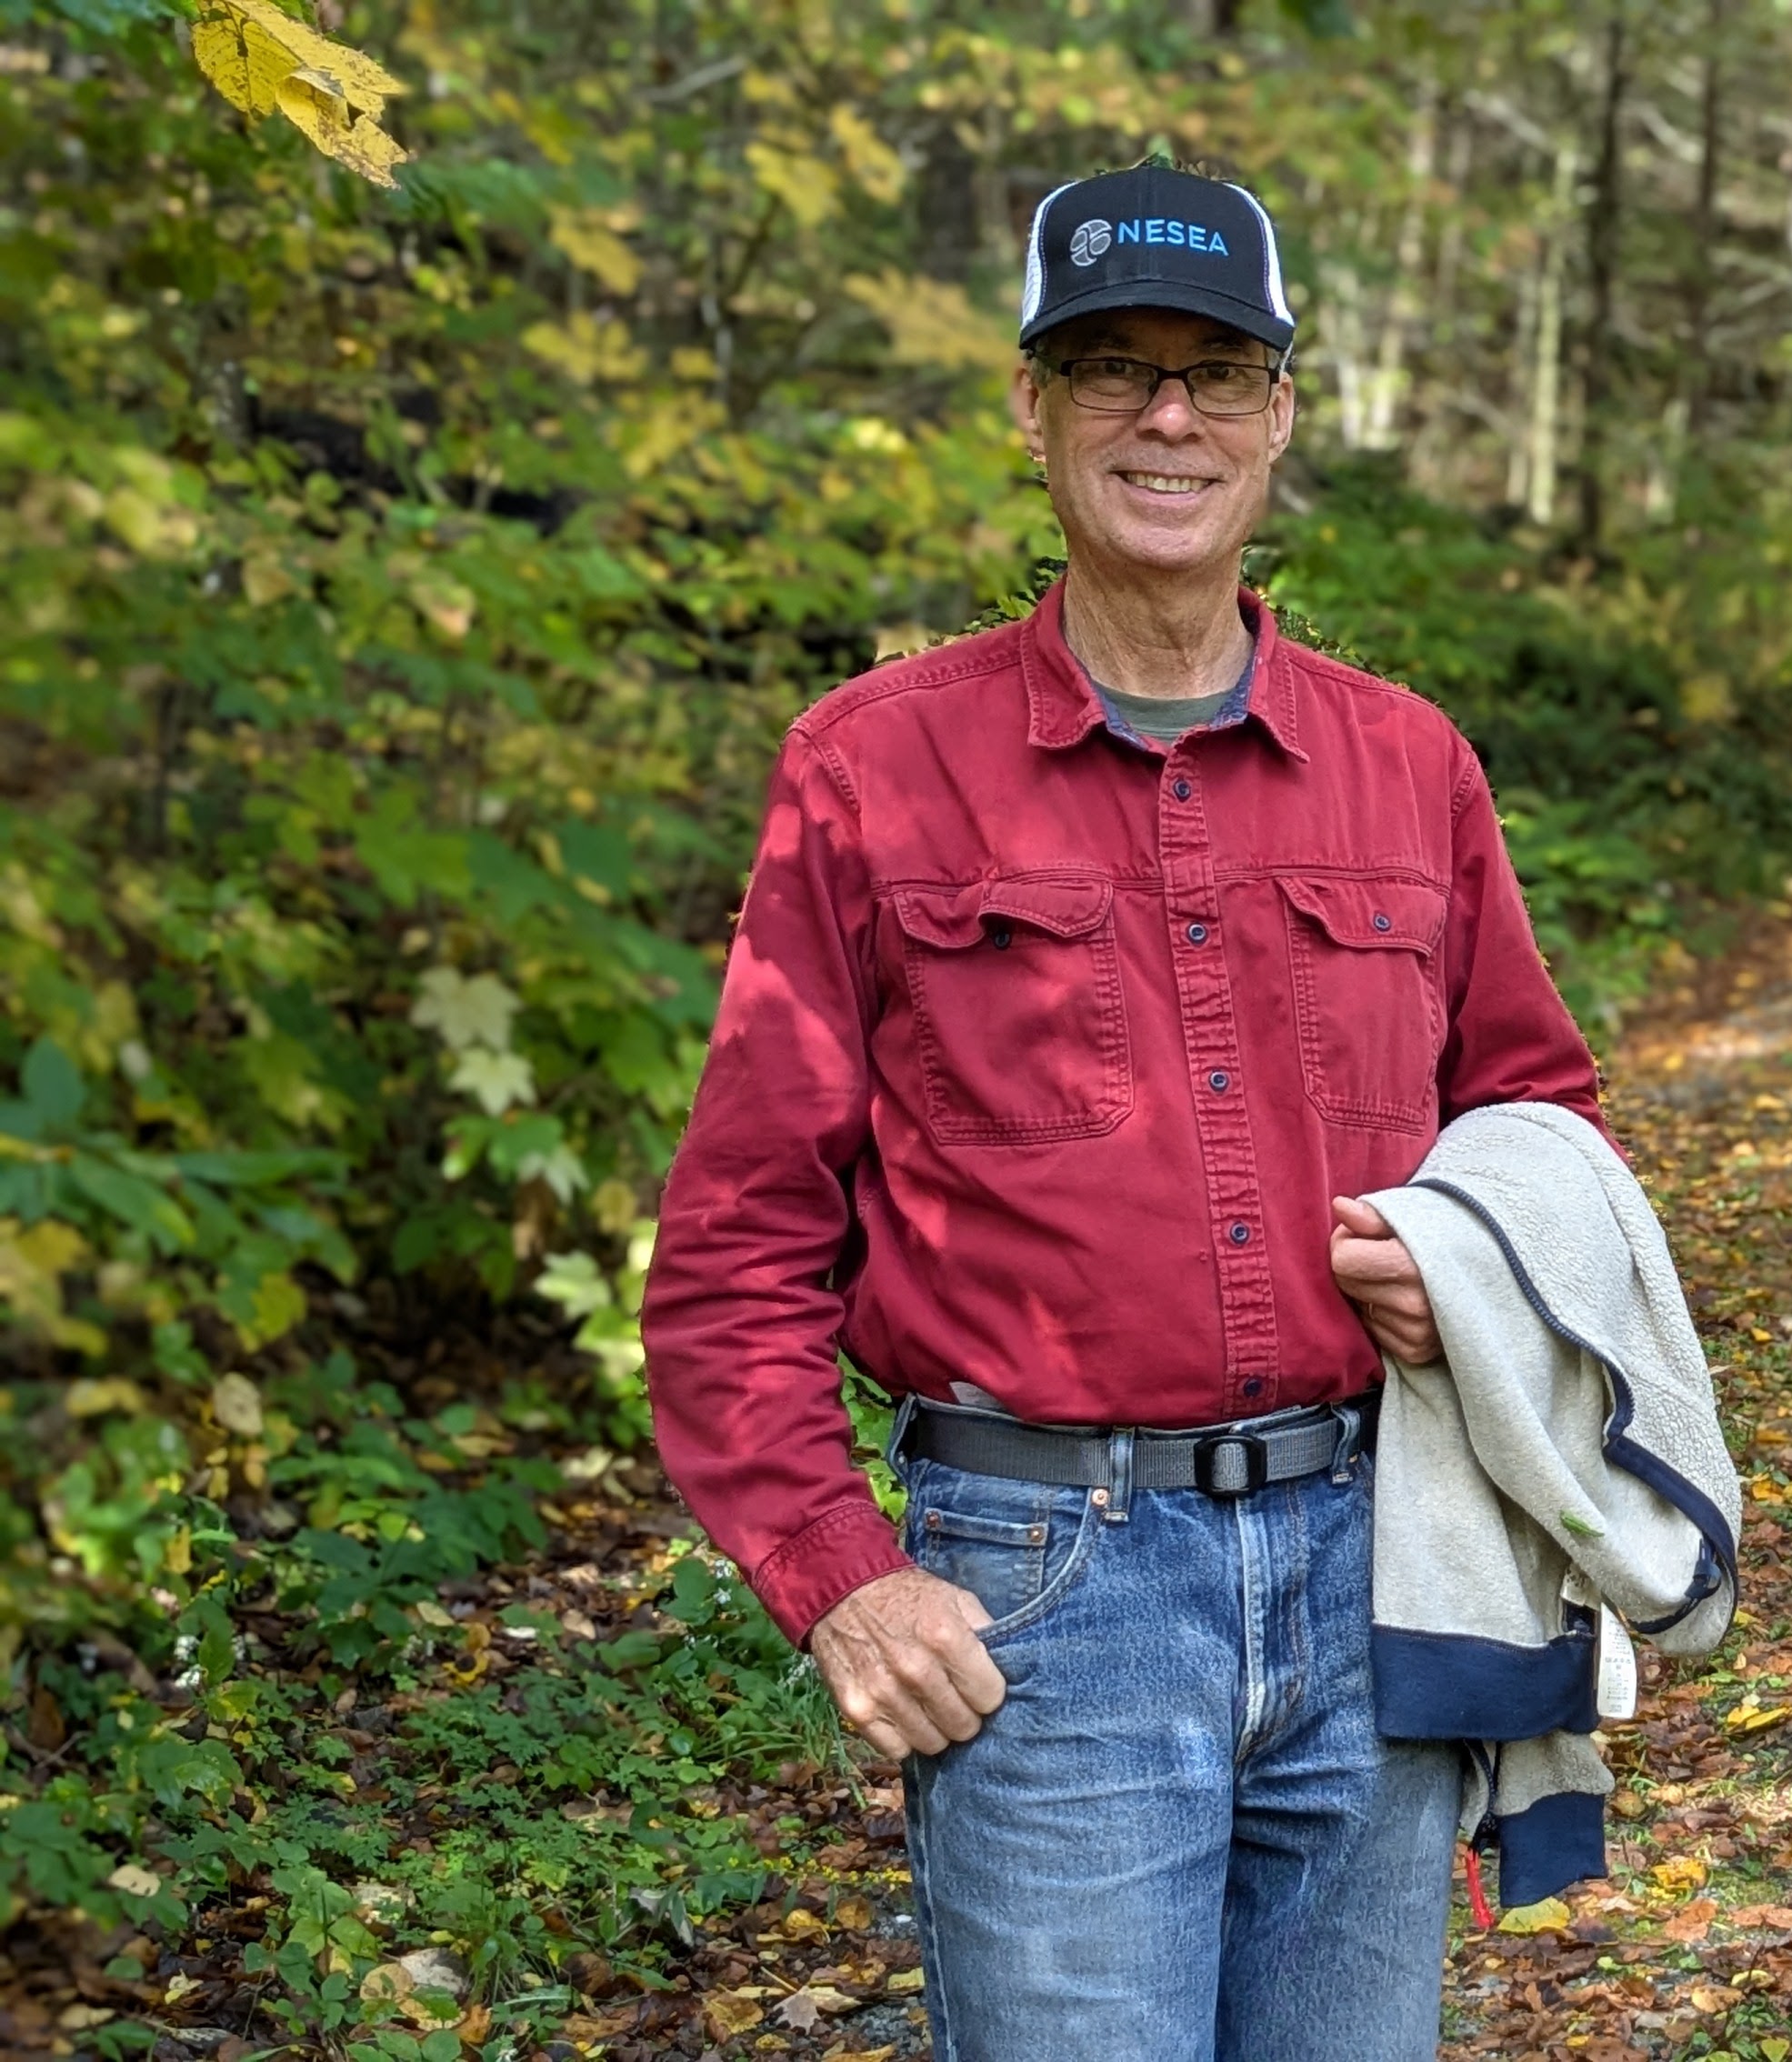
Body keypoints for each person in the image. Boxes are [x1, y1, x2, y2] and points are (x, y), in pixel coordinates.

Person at [638, 164, 1605, 2062]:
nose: (1169, 416)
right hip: (1045, 1593)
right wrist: (840, 1580)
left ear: (1280, 414)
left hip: (1376, 1555)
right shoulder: (875, 768)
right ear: (1034, 405)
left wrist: (1470, 1265)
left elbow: (1540, 1121)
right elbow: (738, 1242)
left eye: (1217, 372)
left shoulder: (1409, 766)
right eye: (1112, 368)